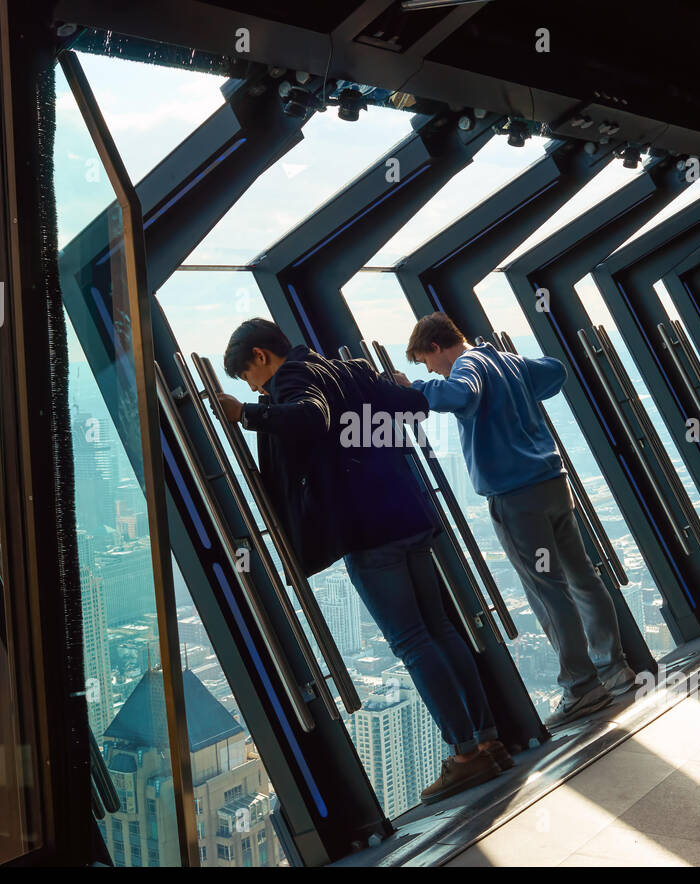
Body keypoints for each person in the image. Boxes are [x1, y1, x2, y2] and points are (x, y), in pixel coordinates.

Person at [216, 318, 510, 802]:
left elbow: (311, 418)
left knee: (413, 641)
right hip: (410, 512)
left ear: (262, 357)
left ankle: (465, 755)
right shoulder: (349, 370)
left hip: (368, 530)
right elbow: (411, 405)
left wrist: (246, 414)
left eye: (248, 376)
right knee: (440, 630)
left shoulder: (293, 379)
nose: (252, 386)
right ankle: (488, 740)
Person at [399, 312, 634, 730]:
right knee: (583, 577)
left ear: (436, 347)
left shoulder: (468, 366)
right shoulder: (504, 360)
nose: (430, 368)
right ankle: (613, 669)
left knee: (548, 589)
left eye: (426, 361)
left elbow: (457, 395)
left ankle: (581, 688)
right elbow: (554, 372)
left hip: (518, 501)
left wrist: (415, 389)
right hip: (554, 486)